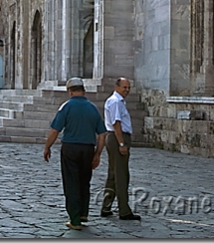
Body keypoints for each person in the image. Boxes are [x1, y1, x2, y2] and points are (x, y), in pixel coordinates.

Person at [43, 77, 107, 230]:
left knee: (71, 182)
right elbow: (103, 134)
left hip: (70, 148)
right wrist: (97, 154)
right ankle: (83, 212)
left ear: (70, 91)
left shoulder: (66, 107)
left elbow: (55, 130)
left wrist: (47, 147)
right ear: (83, 91)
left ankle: (75, 219)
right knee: (84, 181)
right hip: (88, 149)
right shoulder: (93, 108)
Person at [100, 77, 141, 221]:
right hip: (117, 137)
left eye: (128, 88)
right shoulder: (116, 101)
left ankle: (106, 206)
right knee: (121, 174)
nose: (127, 90)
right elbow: (116, 123)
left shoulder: (117, 101)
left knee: (113, 173)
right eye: (124, 87)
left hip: (115, 137)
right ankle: (124, 210)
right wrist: (122, 144)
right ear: (117, 87)